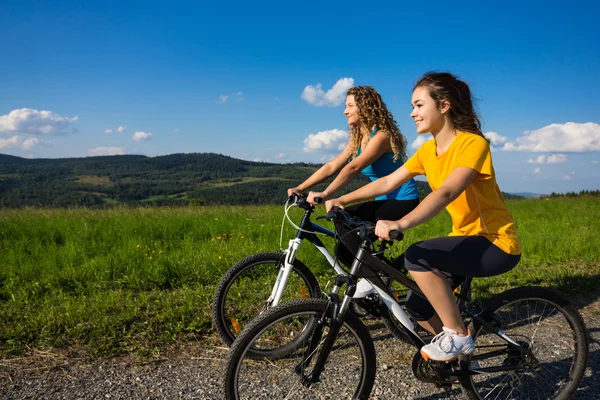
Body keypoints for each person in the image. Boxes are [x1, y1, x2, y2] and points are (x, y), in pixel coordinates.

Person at [326, 72, 521, 362]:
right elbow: (388, 182)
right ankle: (455, 362)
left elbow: (446, 193)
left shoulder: (473, 144)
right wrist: (342, 198)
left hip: (495, 242)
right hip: (464, 240)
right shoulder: (428, 150)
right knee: (417, 303)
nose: (412, 112)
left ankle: (458, 335)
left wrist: (401, 222)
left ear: (443, 106)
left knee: (417, 255)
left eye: (418, 105)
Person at [288, 85, 420, 297]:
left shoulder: (382, 136)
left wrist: (326, 194)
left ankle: (374, 282)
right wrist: (301, 187)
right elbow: (333, 166)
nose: (345, 111)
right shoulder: (359, 138)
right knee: (343, 247)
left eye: (350, 105)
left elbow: (353, 168)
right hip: (382, 199)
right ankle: (377, 282)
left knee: (344, 220)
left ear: (365, 107)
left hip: (403, 199)